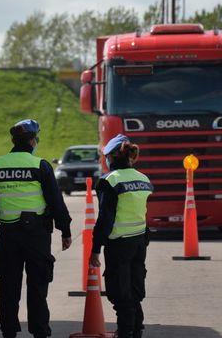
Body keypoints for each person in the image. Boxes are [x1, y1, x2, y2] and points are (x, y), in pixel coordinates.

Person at [0, 119, 72, 338]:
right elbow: (56, 203)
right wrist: (65, 231)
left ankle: (9, 332)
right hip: (36, 235)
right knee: (37, 286)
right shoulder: (40, 166)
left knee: (8, 288)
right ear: (32, 140)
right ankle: (39, 332)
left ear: (13, 140)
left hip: (8, 235)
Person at [89, 134, 153, 338]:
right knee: (134, 291)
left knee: (120, 293)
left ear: (111, 157)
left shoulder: (110, 181)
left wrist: (95, 249)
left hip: (119, 245)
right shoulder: (143, 179)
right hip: (139, 241)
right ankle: (136, 331)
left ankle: (125, 332)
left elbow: (105, 220)